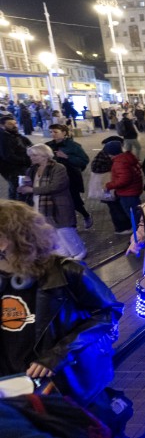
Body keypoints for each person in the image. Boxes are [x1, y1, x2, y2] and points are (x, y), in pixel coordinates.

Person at [0, 200, 126, 434]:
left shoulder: (68, 271)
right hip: (15, 385)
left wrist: (57, 355)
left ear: (9, 239)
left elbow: (108, 312)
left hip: (67, 381)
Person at [18, 144, 87, 260]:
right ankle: (63, 253)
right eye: (30, 156)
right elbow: (32, 186)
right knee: (51, 231)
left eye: (35, 155)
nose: (32, 158)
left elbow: (56, 186)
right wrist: (24, 187)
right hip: (39, 205)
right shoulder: (32, 169)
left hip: (58, 205)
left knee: (64, 230)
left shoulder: (58, 168)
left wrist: (32, 189)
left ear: (45, 155)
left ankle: (78, 251)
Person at [46, 124, 92, 229]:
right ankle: (71, 225)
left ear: (64, 133)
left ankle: (86, 215)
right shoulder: (48, 146)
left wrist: (67, 157)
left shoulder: (73, 146)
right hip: (54, 179)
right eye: (51, 132)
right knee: (60, 203)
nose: (53, 134)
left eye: (55, 132)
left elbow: (84, 160)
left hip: (71, 177)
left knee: (74, 201)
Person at [103, 141, 144, 234]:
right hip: (133, 191)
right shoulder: (126, 158)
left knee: (134, 215)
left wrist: (109, 185)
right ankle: (141, 232)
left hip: (128, 193)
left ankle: (141, 235)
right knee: (136, 213)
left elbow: (124, 179)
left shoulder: (119, 162)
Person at [0, 114, 32, 200]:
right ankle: (15, 209)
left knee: (17, 188)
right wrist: (26, 160)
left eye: (15, 123)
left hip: (19, 166)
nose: (14, 126)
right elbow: (8, 156)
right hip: (12, 169)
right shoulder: (3, 138)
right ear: (2, 125)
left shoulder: (13, 134)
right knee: (18, 189)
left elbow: (26, 142)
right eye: (10, 124)